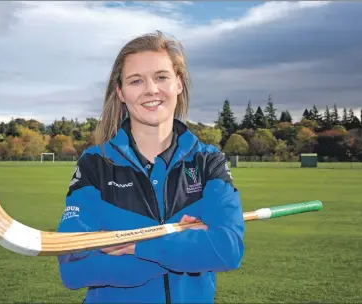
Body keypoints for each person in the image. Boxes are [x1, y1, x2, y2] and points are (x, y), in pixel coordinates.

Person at [56, 30, 245, 304]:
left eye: (161, 77)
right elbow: (74, 268)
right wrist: (183, 249)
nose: (151, 90)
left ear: (178, 84)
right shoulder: (95, 164)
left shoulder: (209, 161)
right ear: (120, 92)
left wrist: (136, 246)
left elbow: (227, 250)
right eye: (136, 81)